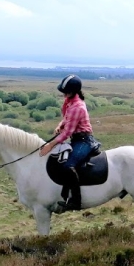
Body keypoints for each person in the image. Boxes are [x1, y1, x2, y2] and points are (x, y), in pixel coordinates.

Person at [39, 75, 100, 211]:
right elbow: (67, 119)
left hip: (84, 140)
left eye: (66, 92)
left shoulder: (77, 107)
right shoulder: (70, 101)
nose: (64, 94)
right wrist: (60, 124)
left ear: (73, 91)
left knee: (68, 166)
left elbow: (67, 133)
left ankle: (76, 201)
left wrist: (50, 145)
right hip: (76, 138)